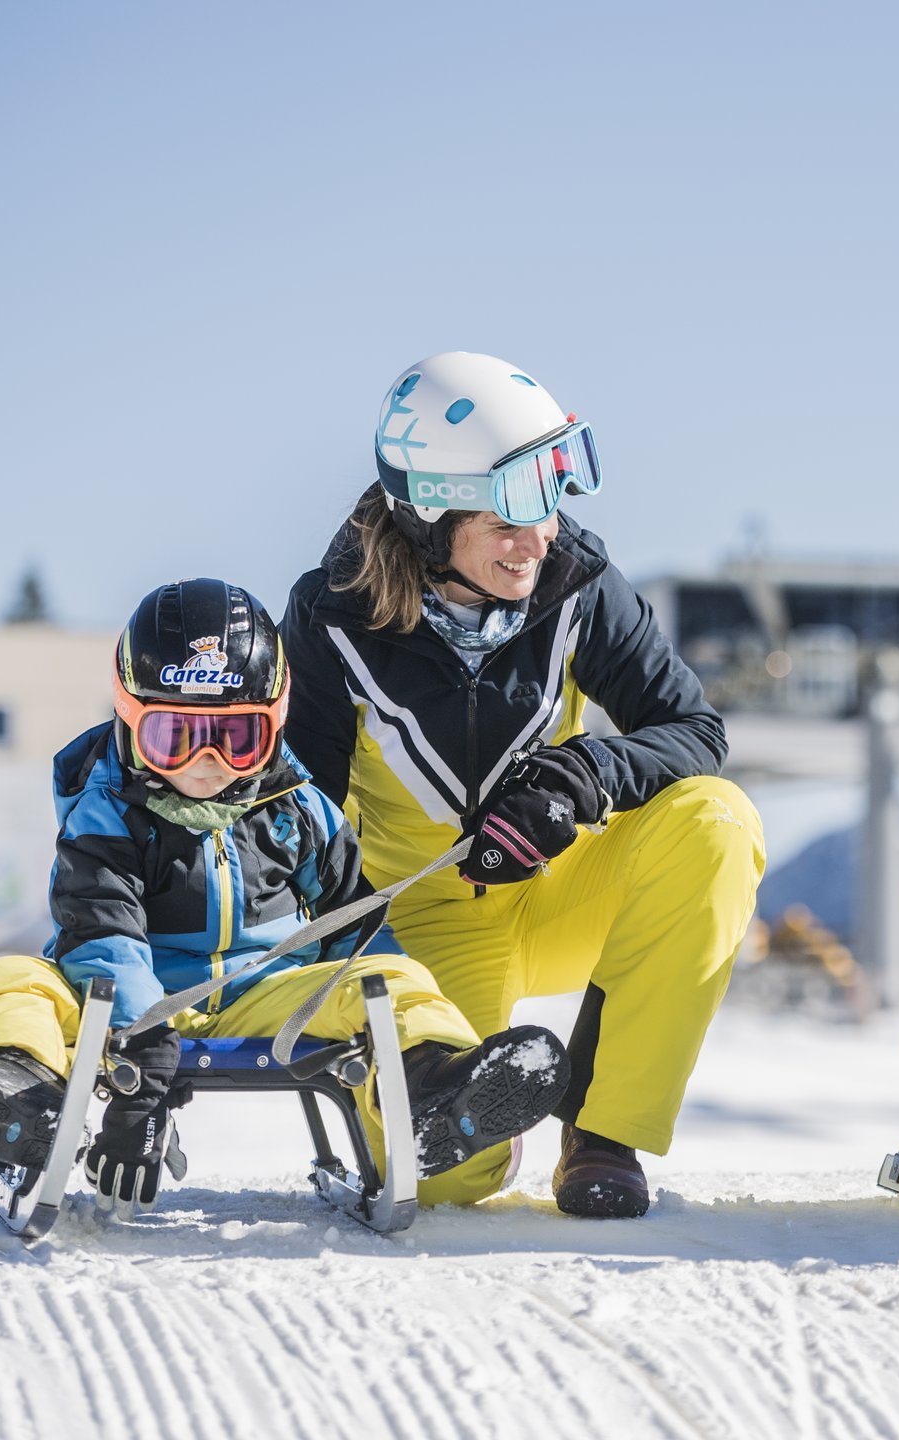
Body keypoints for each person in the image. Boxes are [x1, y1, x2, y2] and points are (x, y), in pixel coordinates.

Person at [279, 352, 765, 1218]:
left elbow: (697, 733)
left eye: (548, 500)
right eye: (509, 513)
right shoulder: (331, 620)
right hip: (424, 915)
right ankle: (483, 1126)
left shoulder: (578, 582)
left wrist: (586, 773)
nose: (538, 537)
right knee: (447, 1176)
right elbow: (301, 813)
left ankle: (602, 1131)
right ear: (431, 519)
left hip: (560, 884)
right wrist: (344, 963)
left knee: (716, 821)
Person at [0, 579, 569, 1216]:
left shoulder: (296, 810)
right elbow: (101, 935)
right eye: (173, 737)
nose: (207, 761)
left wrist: (380, 991)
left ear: (273, 728)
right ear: (129, 721)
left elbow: (355, 923)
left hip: (267, 997)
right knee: (14, 978)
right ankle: (18, 1095)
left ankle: (433, 1091)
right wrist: (142, 1045)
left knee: (392, 978)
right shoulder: (106, 815)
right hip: (122, 1006)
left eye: (238, 739)